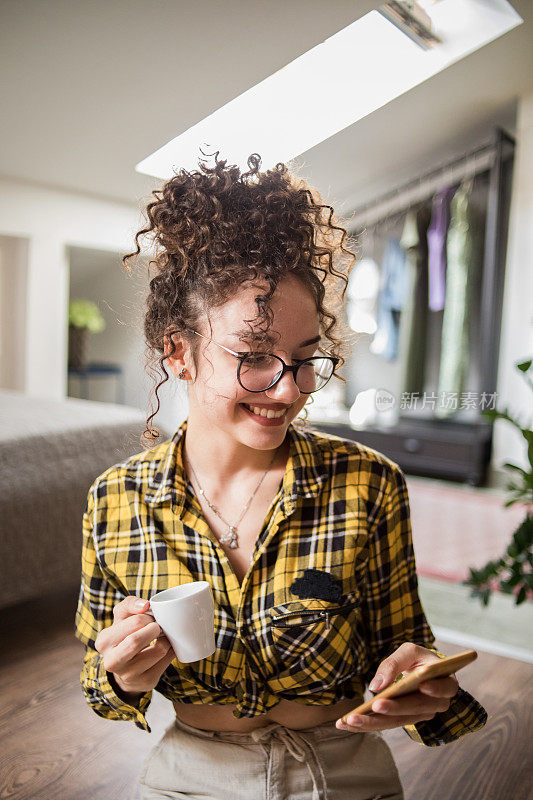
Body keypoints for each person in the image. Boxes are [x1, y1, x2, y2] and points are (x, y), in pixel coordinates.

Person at [75, 153, 487, 800]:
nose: (287, 389)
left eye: (302, 361)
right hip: (188, 773)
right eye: (254, 357)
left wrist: (424, 681)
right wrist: (122, 675)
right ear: (178, 351)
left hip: (342, 767)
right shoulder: (115, 501)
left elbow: (406, 651)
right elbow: (99, 687)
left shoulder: (366, 484)